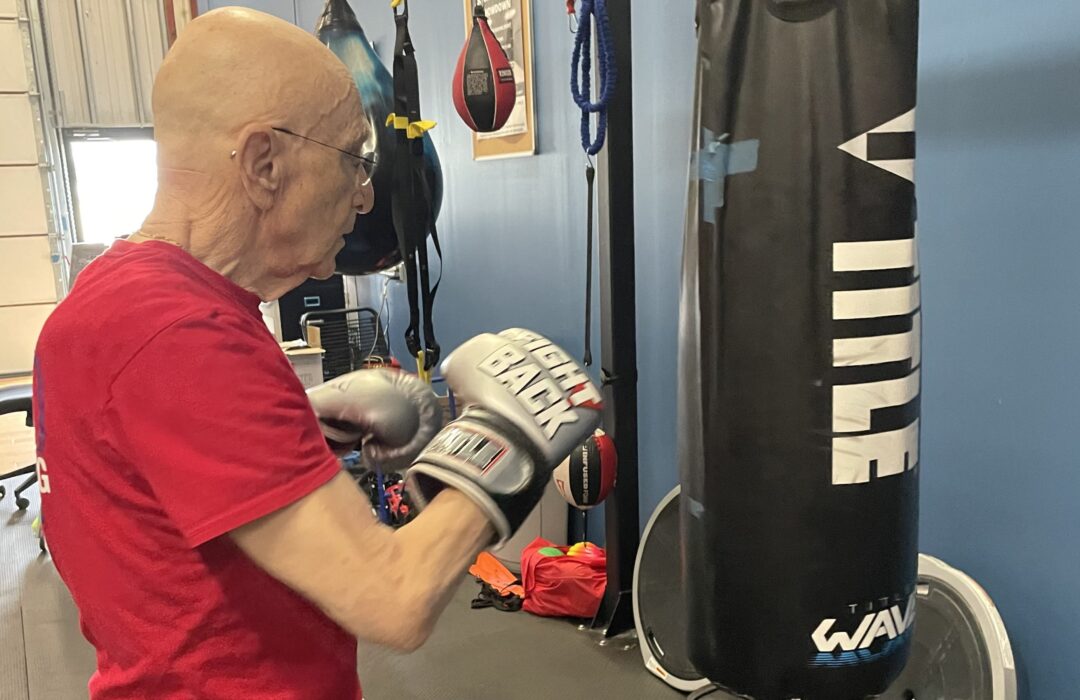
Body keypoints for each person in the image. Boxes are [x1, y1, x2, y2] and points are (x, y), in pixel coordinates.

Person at [32, 8, 599, 699]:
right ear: (265, 162)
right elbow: (394, 598)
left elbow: (151, 503)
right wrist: (507, 438)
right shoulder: (178, 335)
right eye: (355, 160)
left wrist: (302, 428)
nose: (366, 197)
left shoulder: (110, 300)